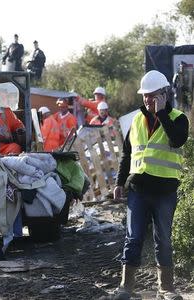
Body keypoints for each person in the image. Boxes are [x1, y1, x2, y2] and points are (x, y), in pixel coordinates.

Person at [112, 70, 188, 300]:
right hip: (138, 190)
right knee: (133, 238)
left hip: (165, 192)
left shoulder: (178, 118)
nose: (148, 100)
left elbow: (176, 140)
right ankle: (126, 287)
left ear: (164, 94)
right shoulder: (136, 120)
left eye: (153, 95)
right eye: (145, 95)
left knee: (163, 239)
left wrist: (162, 114)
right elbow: (127, 154)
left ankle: (166, 288)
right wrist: (119, 182)